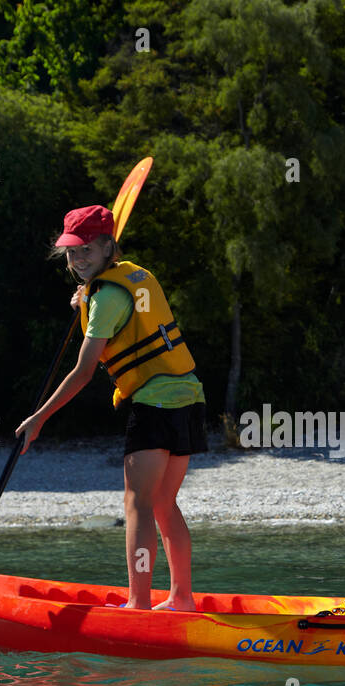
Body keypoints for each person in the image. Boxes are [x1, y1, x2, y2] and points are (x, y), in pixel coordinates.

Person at [15, 205, 207, 611]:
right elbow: (115, 313)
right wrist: (84, 300)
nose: (77, 259)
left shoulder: (106, 299)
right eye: (71, 252)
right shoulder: (134, 275)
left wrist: (38, 419)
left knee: (137, 503)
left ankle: (137, 604)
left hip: (154, 401)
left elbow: (83, 373)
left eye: (86, 250)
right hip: (189, 396)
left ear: (107, 248)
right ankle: (182, 599)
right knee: (164, 503)